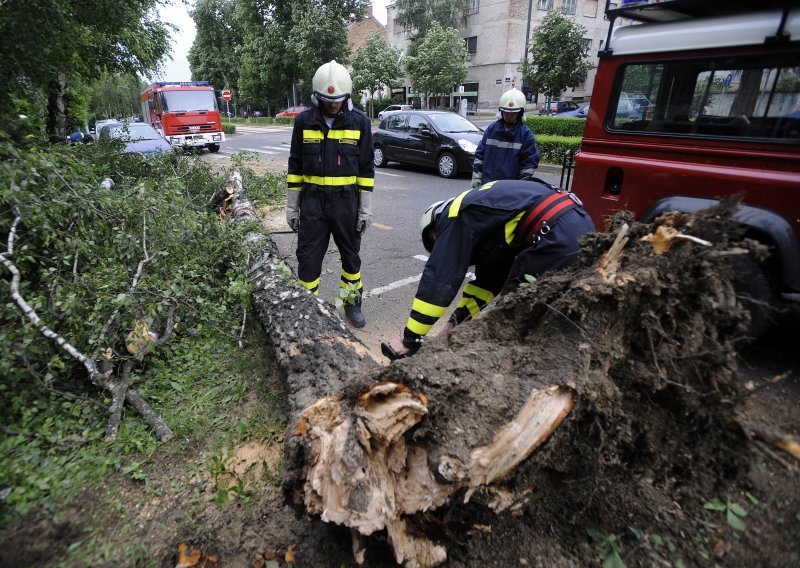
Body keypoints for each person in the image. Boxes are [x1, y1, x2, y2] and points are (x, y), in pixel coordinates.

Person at [380, 179, 595, 360]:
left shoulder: (455, 215)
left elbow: (439, 280)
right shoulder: (484, 214)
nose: (440, 247)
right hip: (580, 228)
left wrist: (411, 340)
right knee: (543, 319)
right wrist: (453, 326)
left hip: (555, 236)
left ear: (435, 225)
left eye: (435, 242)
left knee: (512, 320)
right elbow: (489, 281)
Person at [286, 60, 375, 328]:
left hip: (346, 203)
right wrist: (292, 208)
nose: (333, 104)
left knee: (351, 258)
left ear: (346, 96)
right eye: (328, 99)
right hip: (313, 203)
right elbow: (295, 167)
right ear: (317, 96)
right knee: (308, 260)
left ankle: (352, 303)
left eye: (338, 100)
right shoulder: (304, 122)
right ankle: (308, 310)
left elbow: (367, 169)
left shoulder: (359, 122)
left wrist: (365, 209)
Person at [472, 88, 539, 188]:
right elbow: (480, 155)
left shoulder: (525, 135)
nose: (509, 115)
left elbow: (529, 165)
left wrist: (520, 186)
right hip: (487, 186)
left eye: (513, 113)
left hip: (510, 189)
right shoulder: (491, 130)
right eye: (506, 112)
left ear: (520, 113)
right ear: (501, 112)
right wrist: (476, 178)